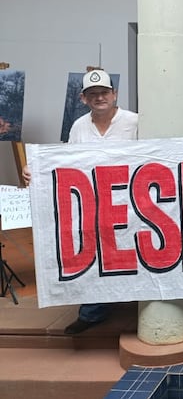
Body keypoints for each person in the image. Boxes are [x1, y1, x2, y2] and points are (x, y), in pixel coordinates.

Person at [65, 69, 139, 335]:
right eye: (92, 94)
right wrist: (34, 170)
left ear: (114, 94)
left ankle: (141, 308)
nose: (99, 98)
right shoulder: (79, 126)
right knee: (93, 252)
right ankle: (92, 312)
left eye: (104, 92)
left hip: (132, 201)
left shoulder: (135, 122)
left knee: (138, 252)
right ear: (84, 98)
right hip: (93, 201)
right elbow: (68, 161)